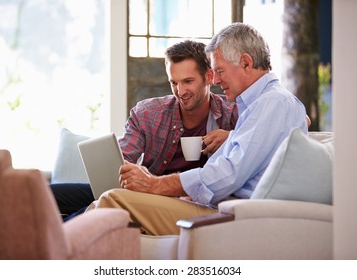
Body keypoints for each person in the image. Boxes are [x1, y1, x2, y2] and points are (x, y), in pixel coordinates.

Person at [88, 22, 308, 235]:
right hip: (220, 206)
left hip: (232, 214)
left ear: (246, 63)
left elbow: (227, 174)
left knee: (112, 199)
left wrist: (155, 185)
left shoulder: (273, 103)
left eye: (220, 71)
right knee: (101, 198)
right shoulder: (262, 104)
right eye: (174, 83)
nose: (217, 80)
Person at [51, 40, 237, 218]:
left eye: (188, 81)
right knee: (47, 194)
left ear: (209, 77)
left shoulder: (232, 115)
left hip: (183, 202)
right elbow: (125, 159)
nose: (180, 92)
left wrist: (231, 137)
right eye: (174, 83)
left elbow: (254, 151)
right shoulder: (148, 113)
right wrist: (131, 171)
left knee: (104, 205)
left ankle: (54, 238)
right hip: (145, 193)